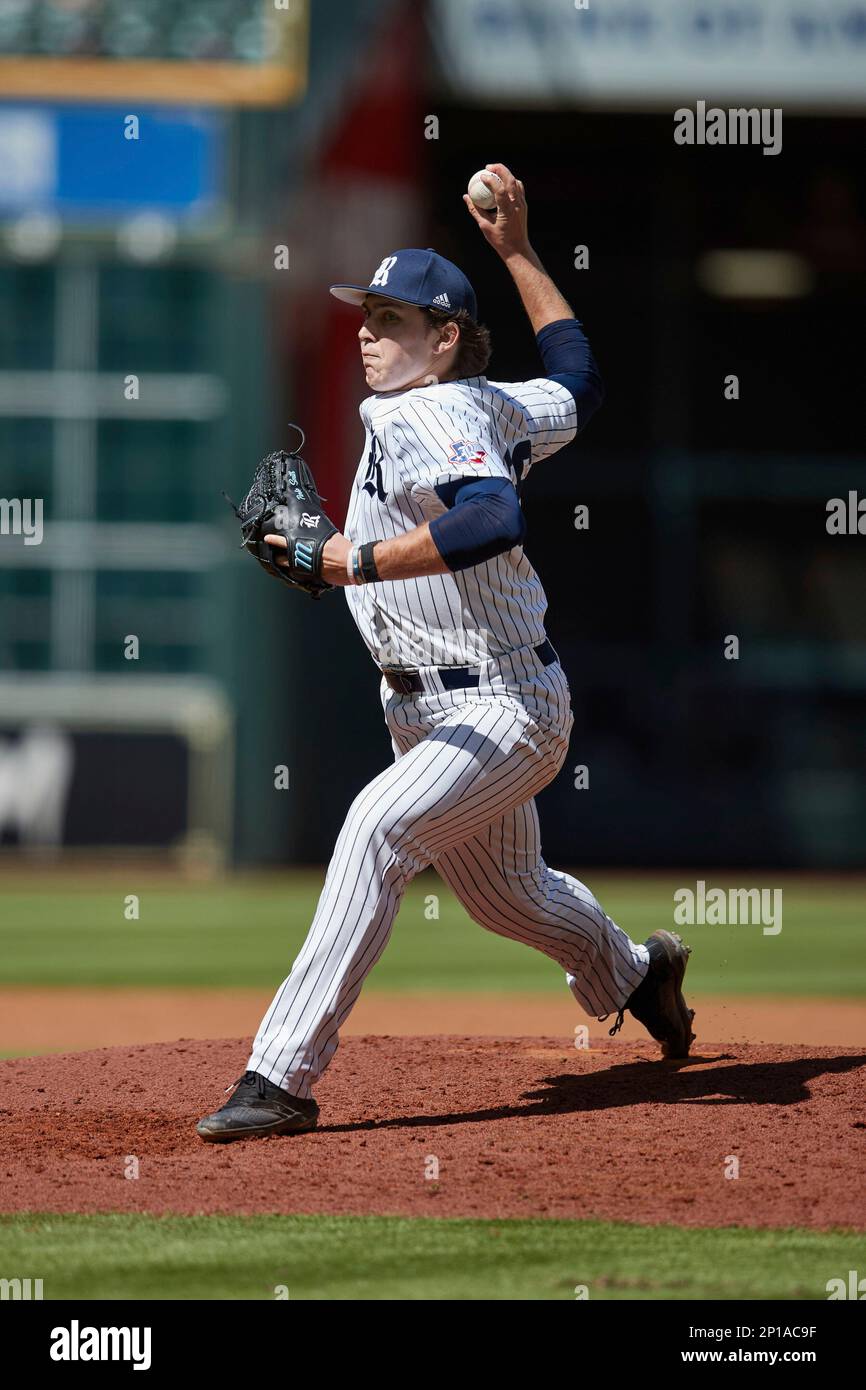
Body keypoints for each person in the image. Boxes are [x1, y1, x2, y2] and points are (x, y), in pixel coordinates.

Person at [197, 163, 694, 1143]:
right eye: (366, 314)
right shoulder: (492, 406)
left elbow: (490, 519)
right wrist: (514, 250)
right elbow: (579, 380)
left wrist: (351, 560)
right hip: (429, 706)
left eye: (390, 318)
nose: (367, 331)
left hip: (502, 706)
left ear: (445, 338)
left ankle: (278, 1076)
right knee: (511, 900)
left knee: (374, 829)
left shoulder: (430, 411)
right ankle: (638, 973)